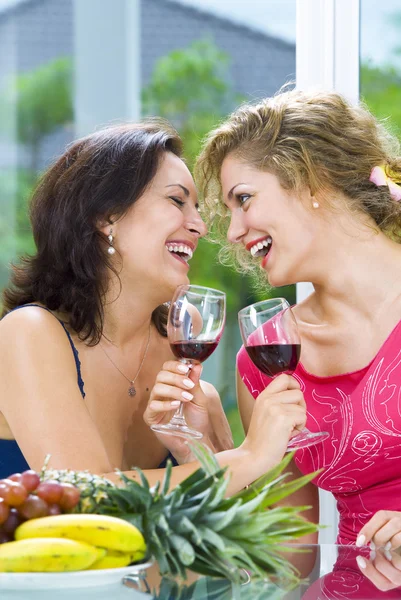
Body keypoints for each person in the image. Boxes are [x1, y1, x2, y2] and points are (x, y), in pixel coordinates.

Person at [0, 120, 307, 495]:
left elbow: (238, 538)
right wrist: (250, 455)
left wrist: (197, 449)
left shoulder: (179, 336)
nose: (199, 226)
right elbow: (86, 496)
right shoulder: (29, 332)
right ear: (106, 216)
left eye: (196, 208)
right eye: (177, 201)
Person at [195, 89, 401, 555]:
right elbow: (291, 550)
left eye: (244, 199)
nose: (232, 231)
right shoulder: (265, 358)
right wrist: (203, 450)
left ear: (309, 179)